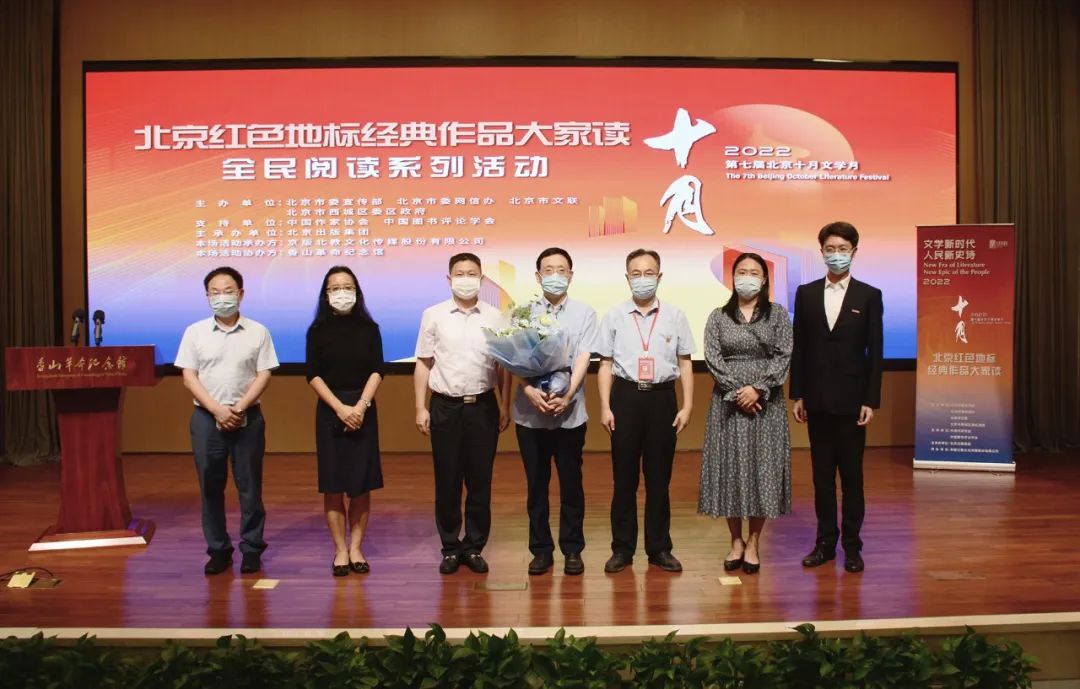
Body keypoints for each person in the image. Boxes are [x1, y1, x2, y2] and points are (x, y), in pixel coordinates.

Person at [790, 221, 884, 573]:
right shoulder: (806, 293)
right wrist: (798, 393)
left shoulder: (868, 295)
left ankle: (853, 546)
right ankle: (825, 544)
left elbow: (875, 352)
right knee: (822, 477)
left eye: (843, 249)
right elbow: (800, 346)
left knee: (852, 478)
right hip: (816, 400)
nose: (836, 255)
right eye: (830, 249)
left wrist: (870, 400)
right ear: (822, 252)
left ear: (854, 252)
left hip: (852, 401)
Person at [175, 266, 279, 575]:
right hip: (206, 419)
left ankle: (252, 548)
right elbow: (189, 376)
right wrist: (217, 410)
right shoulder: (194, 332)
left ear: (241, 294)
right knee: (210, 486)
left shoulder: (258, 331)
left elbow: (264, 373)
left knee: (250, 487)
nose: (222, 297)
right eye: (215, 292)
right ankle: (218, 550)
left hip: (248, 418)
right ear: (207, 296)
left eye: (228, 291)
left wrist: (240, 408)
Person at [597, 249, 695, 573]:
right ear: (627, 278)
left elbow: (685, 362)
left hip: (662, 399)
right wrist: (605, 406)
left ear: (659, 276)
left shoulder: (675, 315)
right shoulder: (614, 315)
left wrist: (687, 405)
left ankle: (659, 548)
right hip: (625, 397)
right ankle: (622, 549)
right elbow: (605, 364)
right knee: (623, 479)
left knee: (659, 480)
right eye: (636, 274)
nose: (643, 279)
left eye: (649, 273)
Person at [414, 253, 511, 575]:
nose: (466, 279)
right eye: (460, 273)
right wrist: (420, 406)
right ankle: (450, 547)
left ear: (482, 279)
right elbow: (424, 362)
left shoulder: (496, 317)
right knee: (448, 480)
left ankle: (474, 546)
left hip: (482, 406)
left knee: (480, 480)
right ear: (449, 279)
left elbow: (503, 366)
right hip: (445, 406)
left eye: (472, 273)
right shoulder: (433, 315)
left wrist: (504, 404)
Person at [698, 253, 793, 575]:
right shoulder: (718, 317)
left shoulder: (777, 315)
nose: (747, 277)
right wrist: (739, 391)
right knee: (730, 469)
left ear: (764, 279)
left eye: (754, 272)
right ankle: (735, 541)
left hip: (766, 403)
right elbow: (712, 358)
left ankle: (753, 542)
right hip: (728, 402)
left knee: (762, 470)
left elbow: (784, 355)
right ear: (732, 277)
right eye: (742, 271)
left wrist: (759, 389)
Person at [513, 247, 598, 576]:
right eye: (548, 270)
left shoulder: (585, 313)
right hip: (530, 414)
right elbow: (512, 357)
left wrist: (569, 395)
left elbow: (584, 357)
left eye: (562, 270)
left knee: (571, 485)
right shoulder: (523, 313)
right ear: (538, 276)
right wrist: (528, 389)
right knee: (536, 486)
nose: (555, 276)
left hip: (570, 415)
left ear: (571, 276)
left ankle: (572, 549)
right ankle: (540, 550)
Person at [305, 266, 385, 577]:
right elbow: (313, 374)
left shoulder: (369, 328)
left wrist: (361, 406)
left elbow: (377, 369)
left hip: (363, 408)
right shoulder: (317, 330)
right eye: (335, 287)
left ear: (357, 291)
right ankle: (340, 549)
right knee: (334, 484)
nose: (342, 292)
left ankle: (356, 547)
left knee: (361, 484)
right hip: (331, 409)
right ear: (326, 294)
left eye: (347, 286)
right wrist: (340, 408)